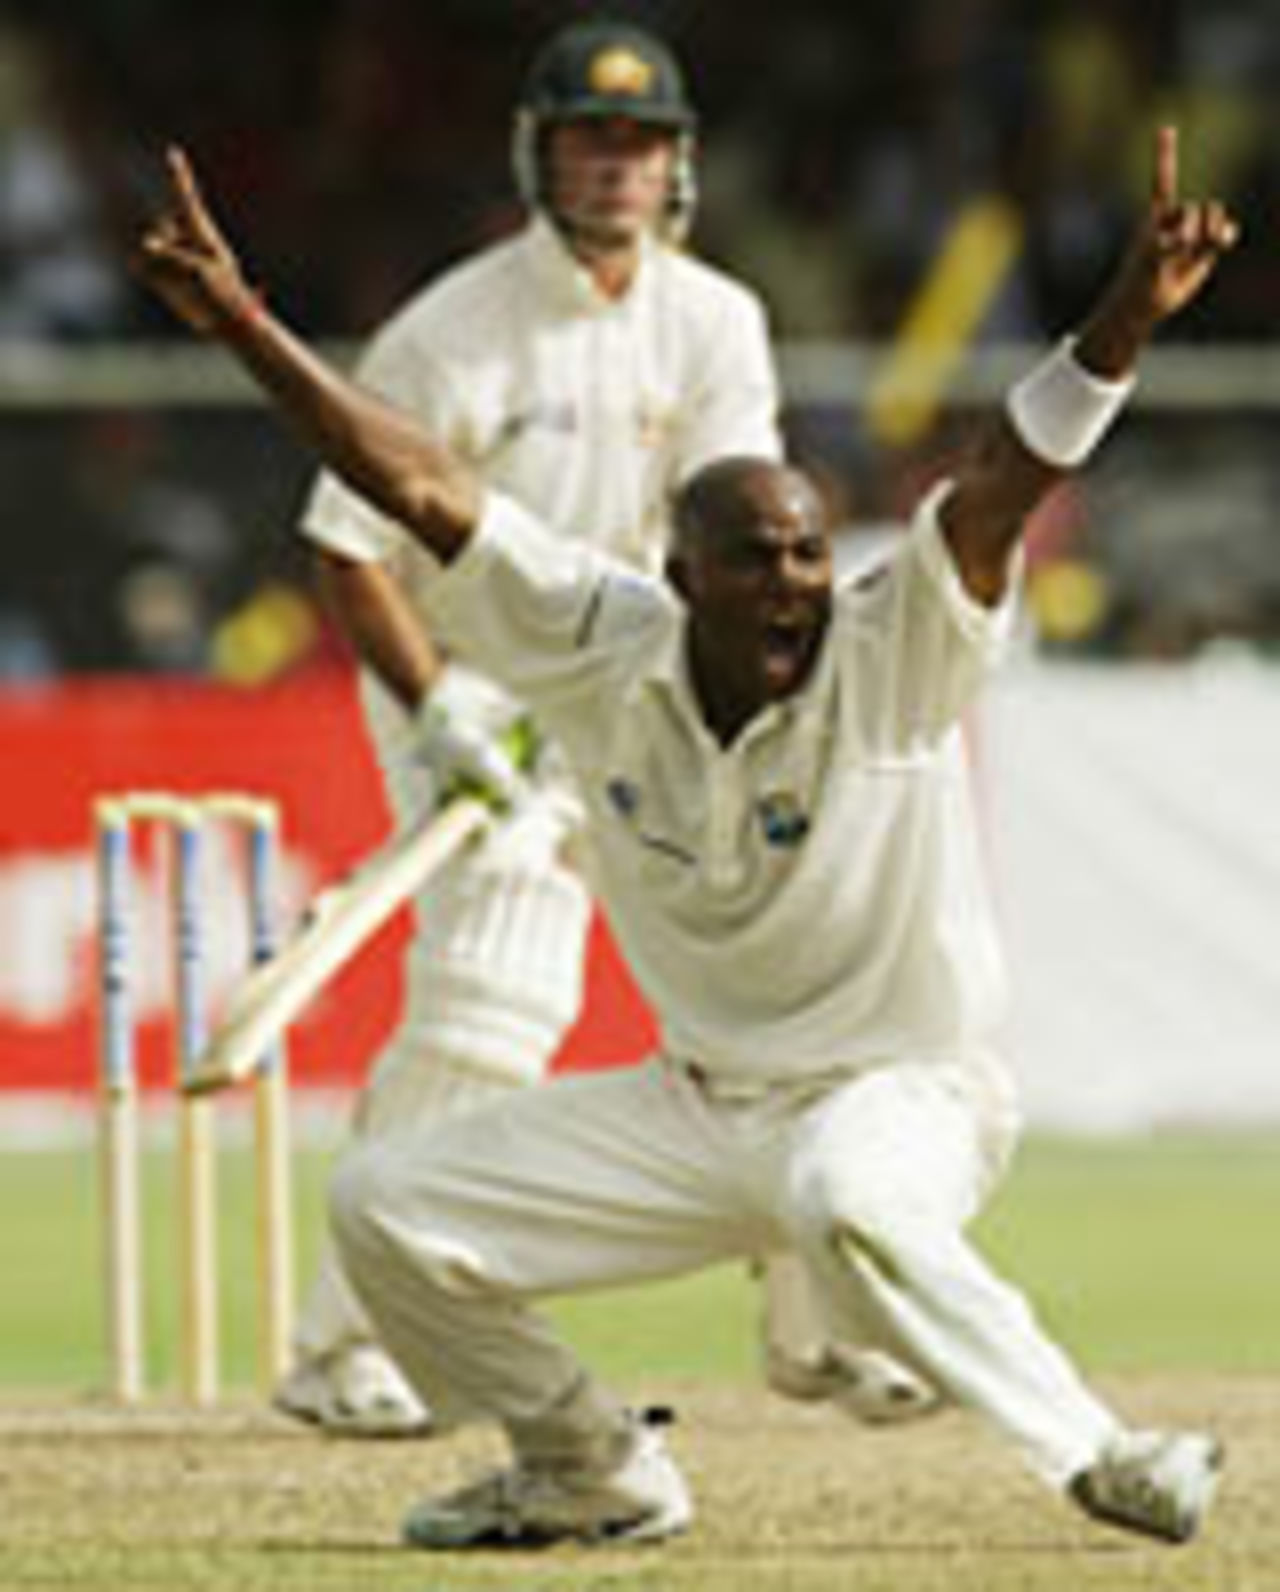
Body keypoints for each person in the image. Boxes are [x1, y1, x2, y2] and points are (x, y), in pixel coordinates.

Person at [140, 124, 1236, 1550]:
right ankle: (588, 1465)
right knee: (385, 1204)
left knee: (846, 1194)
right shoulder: (602, 640)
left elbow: (1000, 476)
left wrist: (1125, 321)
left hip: (899, 1093)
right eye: (757, 560)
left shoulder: (892, 648)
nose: (795, 583)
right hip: (699, 1106)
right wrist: (241, 323)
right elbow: (415, 485)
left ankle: (1107, 1453)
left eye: (807, 553)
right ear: (679, 579)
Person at [279, 18, 932, 1436]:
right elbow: (346, 542)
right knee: (495, 994)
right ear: (539, 154)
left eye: (640, 142)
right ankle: (342, 1346)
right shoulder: (454, 328)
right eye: (589, 137)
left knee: (784, 975)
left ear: (678, 164)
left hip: (646, 688)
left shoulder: (718, 322)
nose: (615, 164)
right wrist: (444, 707)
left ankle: (829, 1328)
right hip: (468, 695)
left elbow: (736, 527)